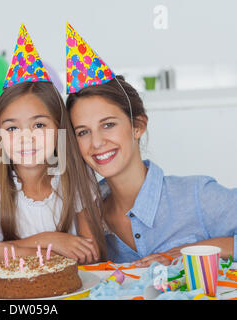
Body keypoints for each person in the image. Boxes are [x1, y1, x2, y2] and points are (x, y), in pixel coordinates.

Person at [0, 25, 105, 271]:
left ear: (59, 127)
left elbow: (91, 255)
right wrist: (52, 241)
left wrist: (11, 252)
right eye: (12, 128)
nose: (26, 138)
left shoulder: (76, 176)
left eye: (39, 125)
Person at [66, 75, 237, 265]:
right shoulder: (86, 217)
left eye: (108, 125)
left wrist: (192, 252)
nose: (96, 142)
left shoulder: (197, 195)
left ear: (138, 126)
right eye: (83, 132)